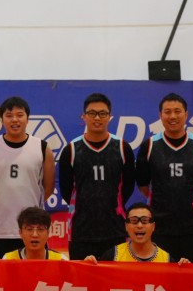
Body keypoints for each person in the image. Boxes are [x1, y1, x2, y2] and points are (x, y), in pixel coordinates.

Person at [134, 92, 193, 266]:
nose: (172, 116)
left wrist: (190, 201)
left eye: (177, 111)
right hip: (160, 228)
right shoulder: (149, 146)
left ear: (186, 114)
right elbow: (143, 185)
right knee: (161, 280)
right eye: (167, 112)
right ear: (160, 115)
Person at [57, 92, 136, 261]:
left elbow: (128, 187)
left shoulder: (122, 148)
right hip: (81, 230)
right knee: (81, 277)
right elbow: (66, 189)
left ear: (110, 117)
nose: (97, 118)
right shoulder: (71, 150)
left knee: (114, 277)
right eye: (92, 113)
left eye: (102, 113)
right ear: (84, 116)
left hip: (115, 228)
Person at [0, 95, 55, 258]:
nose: (14, 120)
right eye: (9, 115)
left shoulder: (42, 147)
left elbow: (48, 188)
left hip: (32, 229)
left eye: (20, 115)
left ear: (27, 118)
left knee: (35, 273)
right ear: (2, 119)